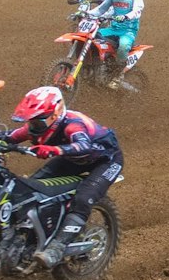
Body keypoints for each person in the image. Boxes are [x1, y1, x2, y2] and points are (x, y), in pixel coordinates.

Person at [7, 86, 124, 267]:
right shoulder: (38, 126)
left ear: (55, 114)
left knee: (84, 197)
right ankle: (35, 237)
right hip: (72, 159)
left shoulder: (73, 125)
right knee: (32, 189)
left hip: (105, 161)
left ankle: (58, 247)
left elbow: (83, 146)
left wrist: (55, 149)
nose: (33, 127)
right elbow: (9, 137)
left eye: (37, 123)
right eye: (31, 122)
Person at [89, 0, 144, 88]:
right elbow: (101, 9)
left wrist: (126, 16)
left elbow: (137, 11)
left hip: (128, 31)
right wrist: (86, 14)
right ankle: (97, 67)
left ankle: (118, 75)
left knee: (124, 45)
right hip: (113, 29)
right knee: (93, 37)